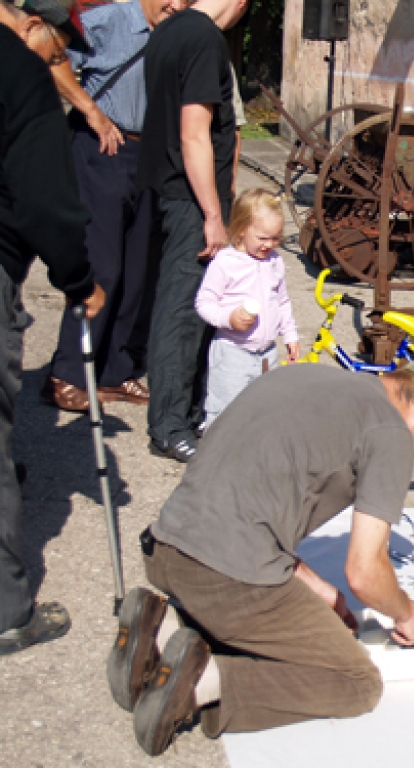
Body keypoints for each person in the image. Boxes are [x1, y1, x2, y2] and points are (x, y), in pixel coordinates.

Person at [105, 357, 414, 756]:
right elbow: (365, 572)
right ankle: (201, 681)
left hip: (167, 548)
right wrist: (407, 615)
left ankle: (164, 627)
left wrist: (318, 588)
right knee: (357, 681)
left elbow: (250, 502)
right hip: (220, 576)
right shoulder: (391, 431)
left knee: (259, 593)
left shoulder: (305, 374)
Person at [0, 0, 105, 655]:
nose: (58, 60)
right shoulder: (18, 71)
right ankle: (8, 610)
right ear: (25, 19)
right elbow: (47, 199)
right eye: (59, 46)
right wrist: (77, 279)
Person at [41, 0, 182, 413]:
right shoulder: (110, 20)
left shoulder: (175, 29)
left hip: (147, 154)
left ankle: (113, 373)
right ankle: (65, 374)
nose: (176, 4)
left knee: (138, 269)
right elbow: (49, 56)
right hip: (104, 147)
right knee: (102, 265)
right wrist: (91, 111)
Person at [137, 0, 248, 463]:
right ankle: (168, 426)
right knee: (182, 313)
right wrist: (212, 214)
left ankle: (189, 411)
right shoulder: (202, 37)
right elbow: (194, 133)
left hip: (168, 189)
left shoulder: (166, 31)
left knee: (184, 308)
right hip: (190, 197)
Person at [195, 189, 299, 425]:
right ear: (241, 229)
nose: (269, 244)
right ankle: (219, 456)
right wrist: (228, 318)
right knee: (225, 411)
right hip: (233, 352)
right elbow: (204, 302)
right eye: (262, 238)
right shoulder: (225, 262)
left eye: (275, 238)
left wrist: (290, 335)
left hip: (266, 353)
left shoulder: (275, 262)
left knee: (262, 411)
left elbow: (282, 301)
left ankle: (252, 456)